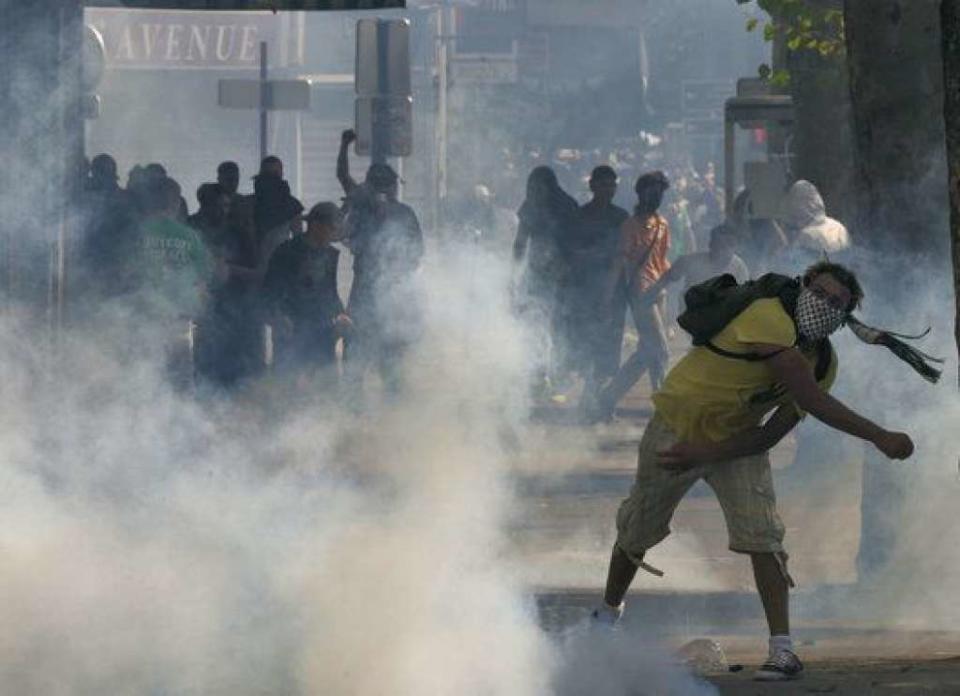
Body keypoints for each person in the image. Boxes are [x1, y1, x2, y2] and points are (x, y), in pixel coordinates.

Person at [592, 261, 914, 682]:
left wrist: (708, 451)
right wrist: (879, 435)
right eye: (819, 293)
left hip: (736, 442)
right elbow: (810, 399)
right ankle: (606, 618)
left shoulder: (823, 364)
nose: (825, 306)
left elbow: (767, 437)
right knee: (637, 530)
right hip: (676, 427)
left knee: (764, 539)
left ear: (844, 318)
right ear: (803, 286)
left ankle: (783, 651)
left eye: (837, 304)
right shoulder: (767, 315)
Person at [336, 129, 425, 398]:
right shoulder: (387, 210)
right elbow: (418, 254)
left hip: (383, 292)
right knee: (377, 354)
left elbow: (416, 253)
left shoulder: (382, 210)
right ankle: (384, 404)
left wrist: (344, 146)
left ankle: (371, 406)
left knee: (374, 354)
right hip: (380, 292)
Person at [591, 171, 672, 420]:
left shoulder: (662, 224)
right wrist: (606, 299)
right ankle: (665, 407)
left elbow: (663, 260)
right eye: (651, 191)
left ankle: (608, 397)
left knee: (648, 351)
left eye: (659, 192)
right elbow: (619, 264)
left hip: (659, 291)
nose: (655, 196)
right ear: (640, 193)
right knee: (661, 350)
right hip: (640, 293)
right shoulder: (630, 226)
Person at [263, 202, 351, 385]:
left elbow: (330, 292)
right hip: (292, 331)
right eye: (332, 228)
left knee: (324, 386)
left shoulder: (330, 255)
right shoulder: (286, 252)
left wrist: (341, 313)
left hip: (322, 331)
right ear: (317, 226)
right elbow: (269, 292)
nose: (335, 234)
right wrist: (278, 317)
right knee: (289, 387)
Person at [565, 166, 629, 411]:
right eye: (603, 185)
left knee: (608, 345)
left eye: (612, 185)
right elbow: (571, 251)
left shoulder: (621, 217)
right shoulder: (580, 216)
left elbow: (622, 256)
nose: (608, 190)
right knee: (586, 342)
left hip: (613, 293)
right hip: (584, 290)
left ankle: (596, 399)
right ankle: (589, 397)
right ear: (592, 186)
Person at [512, 165, 579, 396]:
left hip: (563, 277)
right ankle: (538, 376)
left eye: (540, 187)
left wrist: (567, 266)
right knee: (535, 325)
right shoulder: (530, 206)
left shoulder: (567, 206)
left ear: (550, 186)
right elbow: (520, 242)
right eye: (533, 187)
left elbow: (575, 243)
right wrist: (515, 271)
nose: (536, 191)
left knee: (561, 328)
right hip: (536, 275)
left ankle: (560, 375)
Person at [642, 223, 749, 299]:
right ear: (711, 244)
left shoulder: (738, 267)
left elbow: (744, 297)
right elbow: (669, 276)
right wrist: (651, 294)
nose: (722, 250)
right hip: (693, 313)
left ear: (735, 247)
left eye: (728, 245)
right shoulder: (693, 261)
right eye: (718, 244)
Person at [253, 156, 304, 268]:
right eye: (267, 174)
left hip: (280, 266)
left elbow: (298, 240)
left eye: (274, 174)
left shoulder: (292, 205)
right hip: (252, 265)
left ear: (281, 174)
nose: (271, 179)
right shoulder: (250, 203)